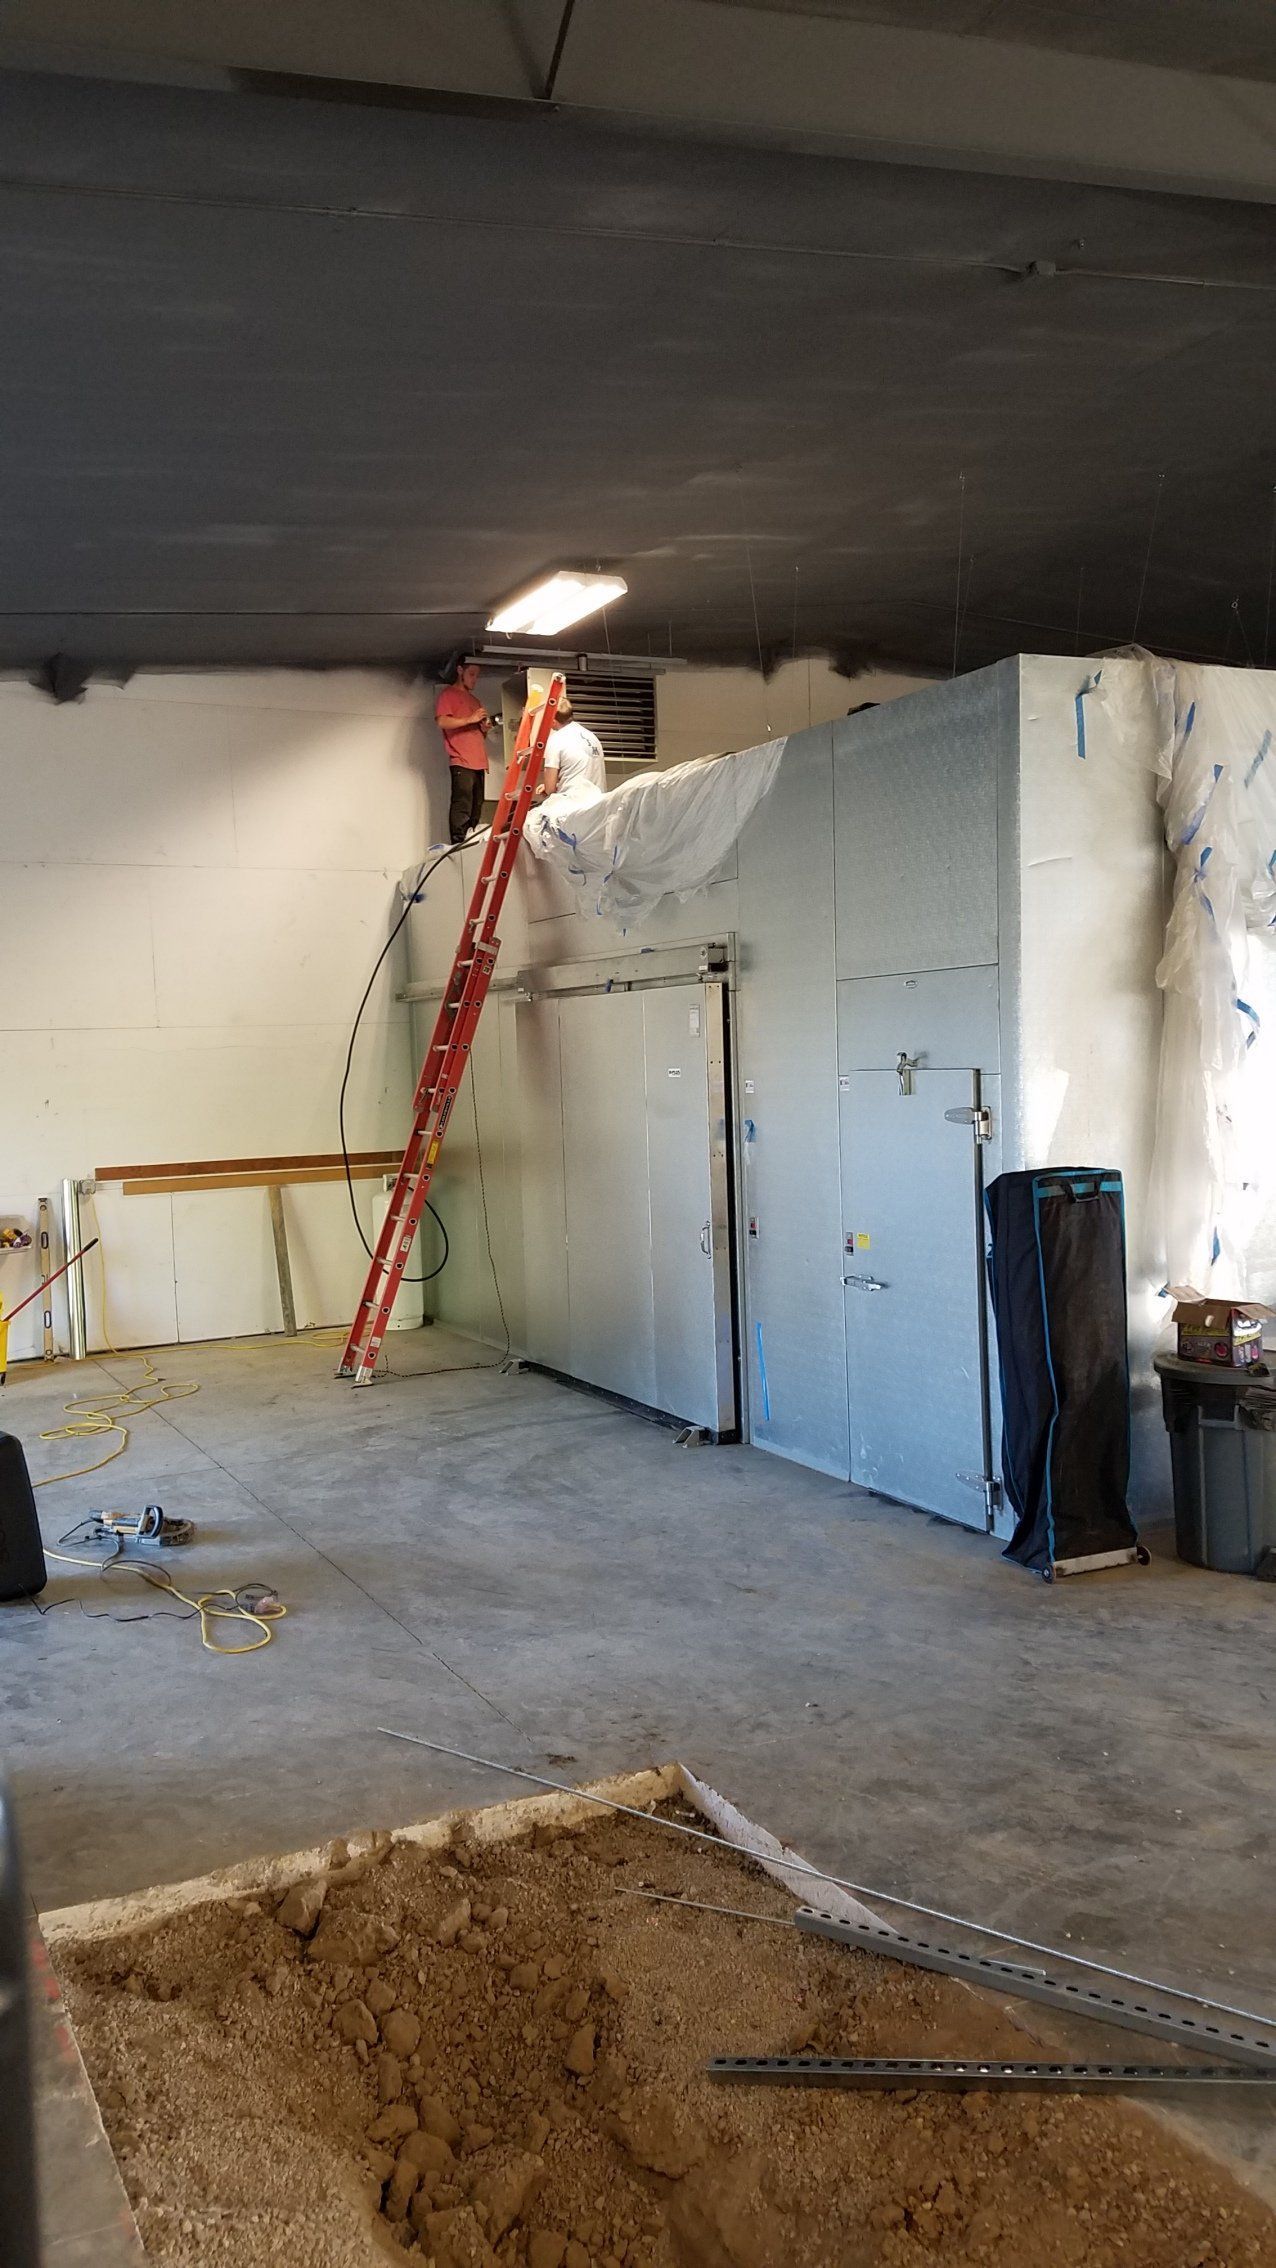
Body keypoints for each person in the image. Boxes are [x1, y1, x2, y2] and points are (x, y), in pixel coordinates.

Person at [435, 661, 494, 843]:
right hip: (461, 759)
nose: (474, 679)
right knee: (462, 805)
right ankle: (458, 844)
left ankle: (470, 841)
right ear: (460, 670)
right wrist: (470, 719)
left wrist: (484, 728)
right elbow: (442, 721)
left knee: (476, 807)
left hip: (479, 761)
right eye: (472, 674)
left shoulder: (475, 701)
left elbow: (477, 733)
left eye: (477, 675)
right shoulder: (448, 694)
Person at [539, 696, 606, 807]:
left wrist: (548, 788)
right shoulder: (591, 736)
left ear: (553, 721)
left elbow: (550, 789)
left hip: (572, 806)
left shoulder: (556, 739)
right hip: (598, 805)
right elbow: (582, 775)